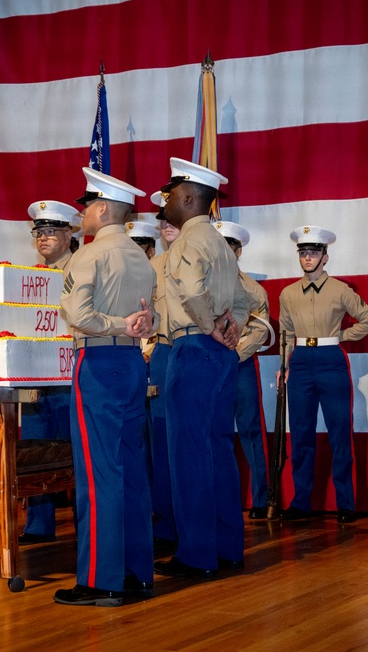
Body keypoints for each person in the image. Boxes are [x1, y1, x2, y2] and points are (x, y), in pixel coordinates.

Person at [53, 168, 158, 607]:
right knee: (131, 471)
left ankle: (100, 579)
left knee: (98, 475)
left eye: (85, 208)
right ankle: (135, 572)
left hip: (98, 360)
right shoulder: (141, 256)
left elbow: (78, 315)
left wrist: (116, 324)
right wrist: (131, 326)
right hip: (133, 363)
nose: (82, 216)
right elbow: (149, 317)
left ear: (100, 209)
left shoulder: (88, 255)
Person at [154, 158, 250, 579]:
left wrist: (211, 326)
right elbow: (244, 297)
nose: (166, 199)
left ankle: (195, 555)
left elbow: (191, 290)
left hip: (193, 347)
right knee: (218, 452)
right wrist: (231, 327)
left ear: (189, 197)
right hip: (222, 355)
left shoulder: (188, 241)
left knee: (189, 454)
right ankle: (227, 547)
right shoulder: (217, 240)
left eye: (172, 193)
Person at [277, 226, 368, 524]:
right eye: (303, 253)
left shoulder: (340, 290)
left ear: (325, 257)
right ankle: (300, 502)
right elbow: (285, 333)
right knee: (301, 434)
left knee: (339, 435)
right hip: (300, 362)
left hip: (330, 359)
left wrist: (340, 335)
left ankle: (346, 503)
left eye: (314, 252)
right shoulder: (288, 293)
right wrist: (284, 365)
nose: (308, 258)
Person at [19, 200, 79, 545]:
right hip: (37, 372)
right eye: (39, 232)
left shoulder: (81, 267)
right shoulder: (31, 277)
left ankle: (84, 525)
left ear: (69, 234)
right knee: (35, 448)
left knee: (73, 452)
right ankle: (39, 525)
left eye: (52, 231)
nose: (44, 238)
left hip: (70, 371)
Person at [215, 221, 273, 520]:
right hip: (210, 365)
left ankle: (262, 499)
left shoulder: (253, 289)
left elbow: (260, 331)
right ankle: (219, 499)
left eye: (228, 246)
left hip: (239, 364)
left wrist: (234, 353)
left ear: (237, 251)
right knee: (213, 430)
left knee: (250, 430)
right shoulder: (206, 283)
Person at [145, 193, 181, 546]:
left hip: (195, 351)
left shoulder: (203, 255)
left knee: (191, 441)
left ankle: (194, 526)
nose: (167, 225)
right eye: (163, 219)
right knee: (159, 442)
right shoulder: (150, 267)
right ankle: (165, 524)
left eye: (173, 217)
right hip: (162, 353)